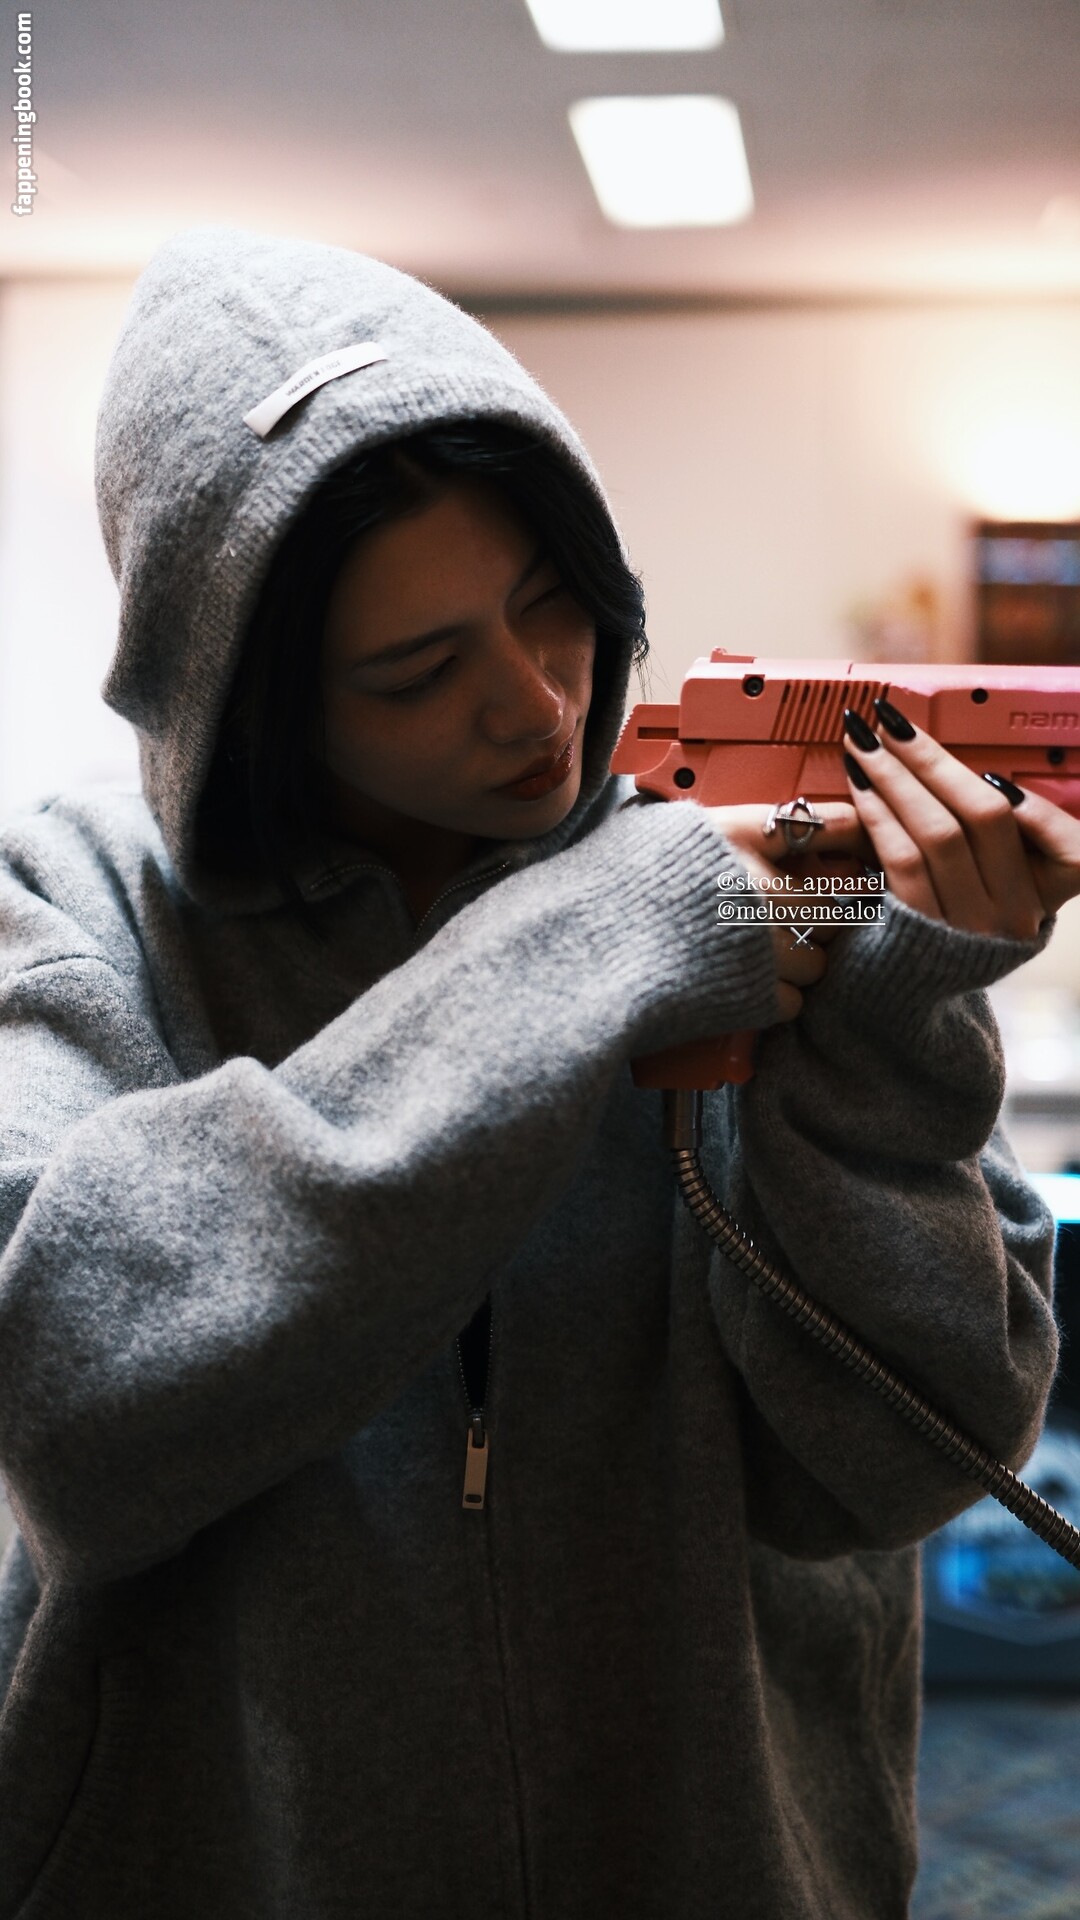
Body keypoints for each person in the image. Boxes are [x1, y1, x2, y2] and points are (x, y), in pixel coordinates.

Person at [0, 226, 1076, 1920]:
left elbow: (901, 1466)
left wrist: (891, 1024)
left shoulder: (732, 857)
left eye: (548, 602)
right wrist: (592, 947)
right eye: (417, 672)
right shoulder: (72, 903)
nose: (533, 707)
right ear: (249, 703)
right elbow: (75, 1407)